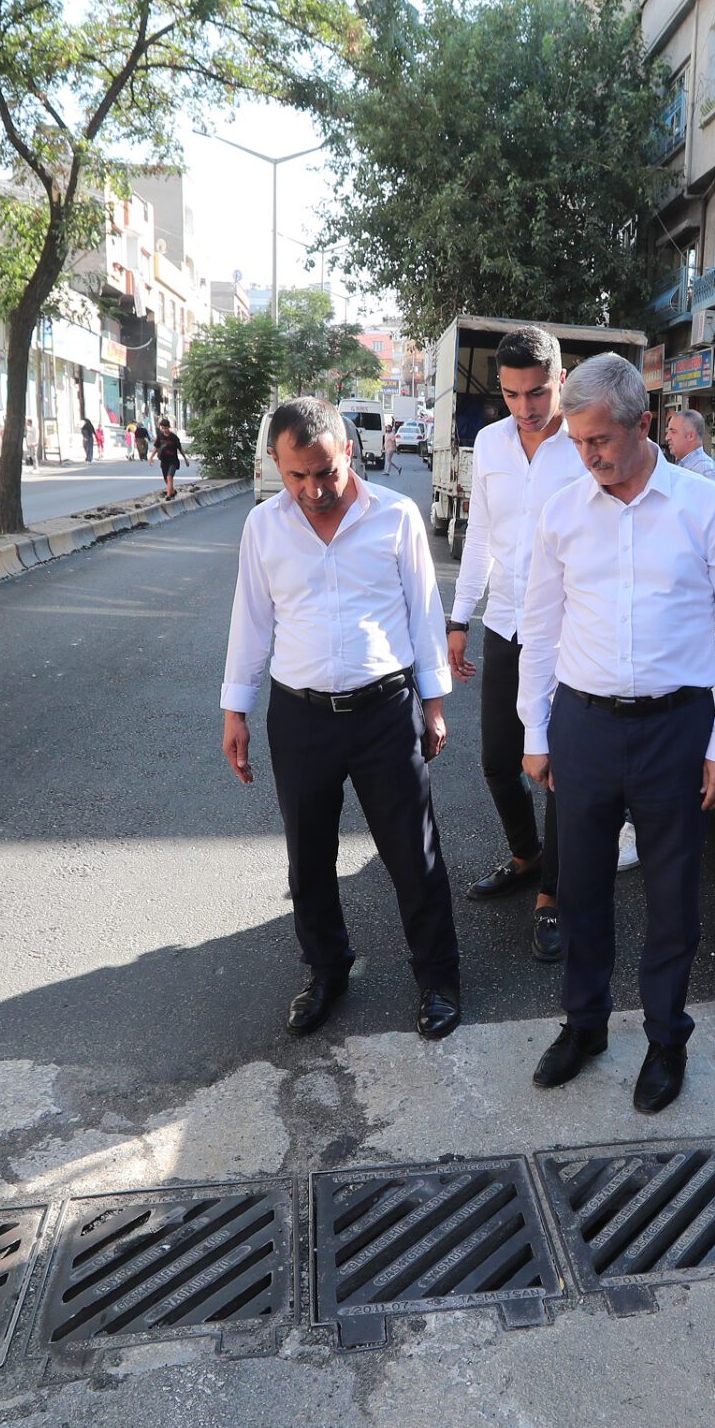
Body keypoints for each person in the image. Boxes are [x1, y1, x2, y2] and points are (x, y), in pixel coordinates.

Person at [518, 353, 715, 1115]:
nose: (588, 456)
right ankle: (584, 1024)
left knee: (673, 896)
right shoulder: (563, 509)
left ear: (644, 425)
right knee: (582, 886)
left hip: (675, 728)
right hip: (585, 725)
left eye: (600, 441)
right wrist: (537, 728)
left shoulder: (705, 507)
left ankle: (666, 1039)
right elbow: (540, 625)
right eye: (578, 442)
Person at [220, 398, 463, 1042]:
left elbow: (422, 610)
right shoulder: (264, 528)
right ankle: (327, 971)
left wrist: (433, 705)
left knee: (414, 853)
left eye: (324, 472)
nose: (313, 489)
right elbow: (251, 620)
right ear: (276, 464)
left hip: (385, 710)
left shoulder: (396, 517)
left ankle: (438, 979)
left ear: (348, 452)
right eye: (297, 476)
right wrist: (235, 709)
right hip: (299, 719)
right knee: (308, 859)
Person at [449, 328, 585, 963]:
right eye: (511, 394)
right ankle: (527, 854)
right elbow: (480, 534)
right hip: (505, 623)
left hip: (570, 632)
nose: (525, 408)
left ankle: (553, 895)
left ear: (560, 379)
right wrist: (459, 618)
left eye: (537, 392)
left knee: (556, 769)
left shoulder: (585, 441)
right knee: (499, 762)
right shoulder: (490, 443)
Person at [665, 408, 715, 486]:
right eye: (668, 432)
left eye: (673, 432)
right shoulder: (689, 466)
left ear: (691, 436)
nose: (667, 437)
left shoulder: (706, 472)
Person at [155, 420, 182, 497]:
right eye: (163, 428)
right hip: (164, 461)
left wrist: (185, 459)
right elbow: (156, 447)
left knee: (169, 477)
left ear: (168, 427)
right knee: (166, 479)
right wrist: (150, 457)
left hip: (173, 460)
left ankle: (168, 495)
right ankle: (172, 491)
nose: (164, 430)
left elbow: (180, 448)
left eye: (165, 428)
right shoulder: (160, 436)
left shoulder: (173, 437)